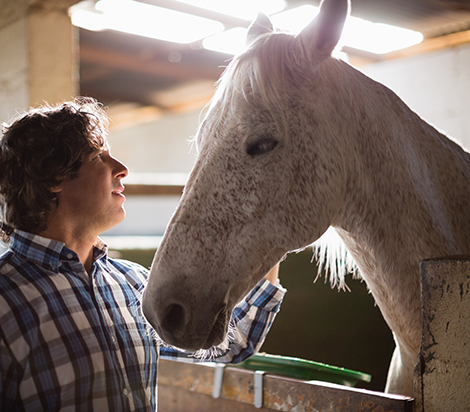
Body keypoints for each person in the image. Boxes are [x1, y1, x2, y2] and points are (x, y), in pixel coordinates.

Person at [0, 97, 285, 411]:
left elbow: (227, 345)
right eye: (98, 156)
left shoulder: (133, 283)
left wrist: (269, 234)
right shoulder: (5, 299)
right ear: (54, 175)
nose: (122, 169)